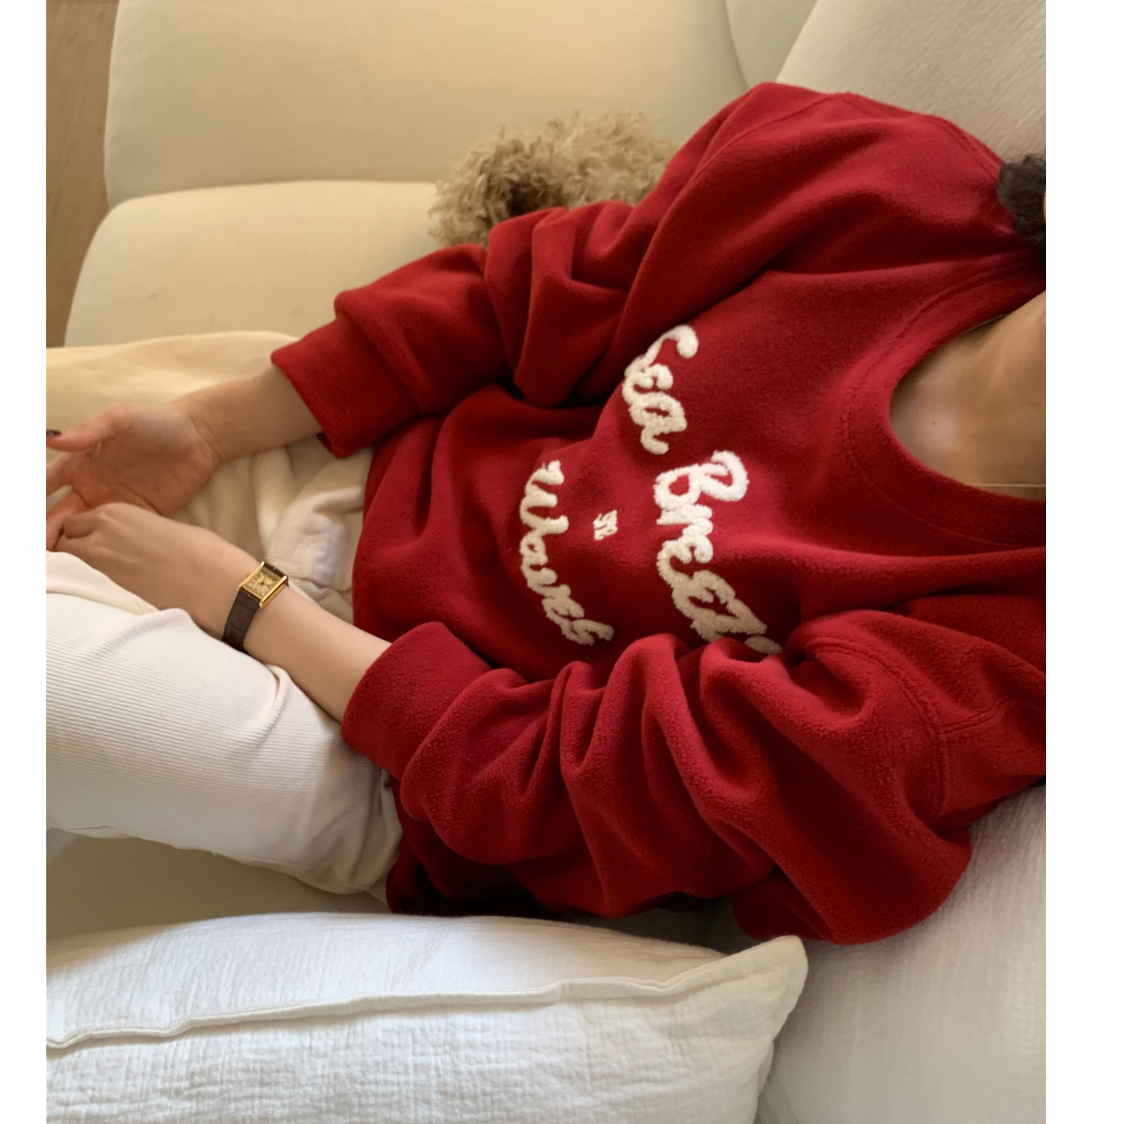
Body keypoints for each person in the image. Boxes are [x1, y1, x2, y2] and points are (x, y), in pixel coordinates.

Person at [45, 82, 1045, 944]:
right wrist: (211, 427)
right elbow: (524, 294)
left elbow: (573, 792)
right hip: (363, 466)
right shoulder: (889, 188)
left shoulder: (1002, 653)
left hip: (394, 764)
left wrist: (247, 600)